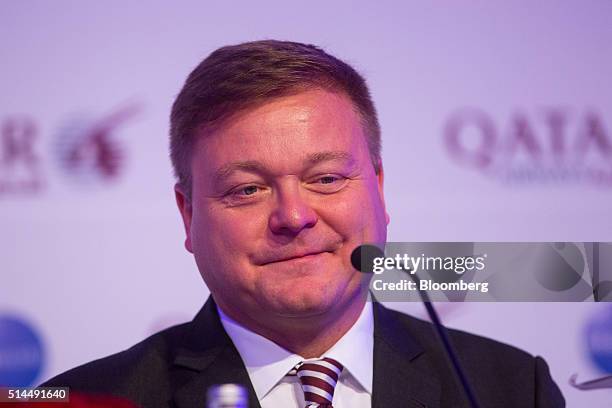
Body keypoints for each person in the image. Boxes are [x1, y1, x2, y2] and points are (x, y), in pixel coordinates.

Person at [43, 40, 565, 408]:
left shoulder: (511, 388)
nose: (294, 216)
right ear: (189, 213)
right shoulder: (89, 401)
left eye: (328, 178)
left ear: (379, 190)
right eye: (247, 189)